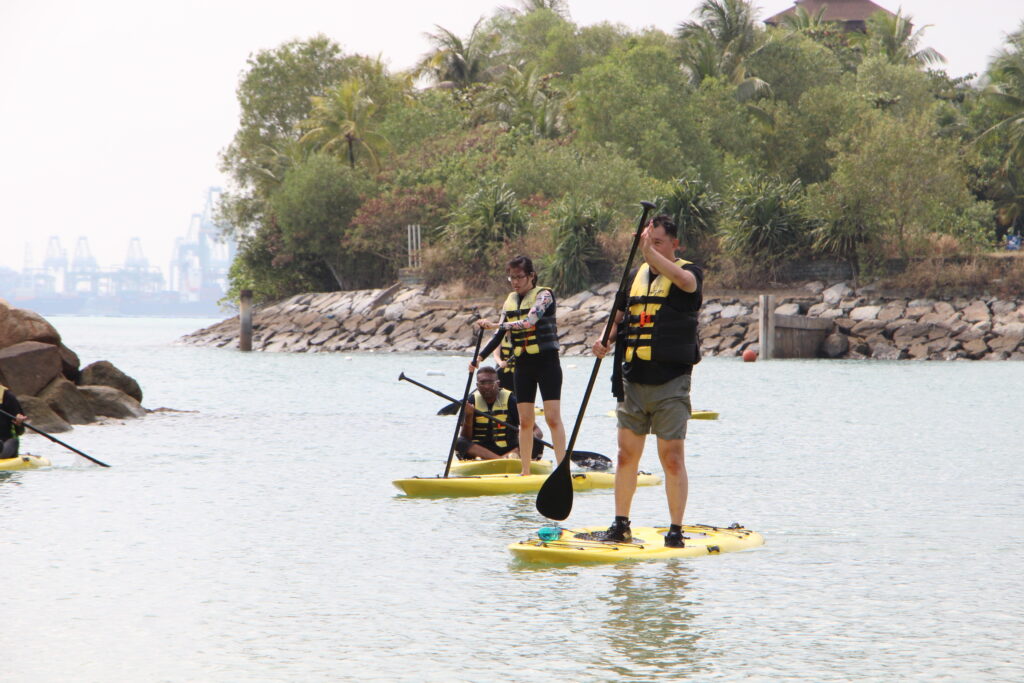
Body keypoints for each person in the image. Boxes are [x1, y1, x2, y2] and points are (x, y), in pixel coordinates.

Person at [592, 215, 703, 548]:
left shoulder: (690, 272)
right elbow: (621, 315)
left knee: (671, 458)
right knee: (626, 456)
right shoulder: (635, 275)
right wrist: (606, 339)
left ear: (674, 244)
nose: (651, 249)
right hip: (633, 379)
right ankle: (621, 524)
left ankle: (675, 530)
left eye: (658, 242)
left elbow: (685, 282)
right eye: (648, 242)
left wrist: (646, 251)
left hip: (671, 381)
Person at [474, 255, 566, 476]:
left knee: (552, 418)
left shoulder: (545, 295)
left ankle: (563, 468)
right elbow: (500, 334)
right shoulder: (510, 300)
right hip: (523, 365)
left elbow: (529, 321)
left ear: (531, 276)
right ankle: (525, 471)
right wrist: (480, 357)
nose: (515, 282)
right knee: (525, 421)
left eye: (520, 277)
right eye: (512, 277)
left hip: (547, 363)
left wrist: (496, 322)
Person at [455, 366, 544, 461]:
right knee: (459, 442)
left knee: (536, 441)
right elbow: (465, 438)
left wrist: (527, 438)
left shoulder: (511, 400)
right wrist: (469, 416)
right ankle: (500, 459)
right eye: (482, 383)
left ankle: (511, 456)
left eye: (490, 382)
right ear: (477, 385)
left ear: (498, 383)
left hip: (510, 449)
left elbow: (537, 431)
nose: (487, 386)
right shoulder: (470, 401)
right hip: (481, 450)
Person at [0, 384, 27, 459]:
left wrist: (19, 423)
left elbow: (20, 432)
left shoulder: (8, 397)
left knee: (7, 444)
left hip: (7, 443)